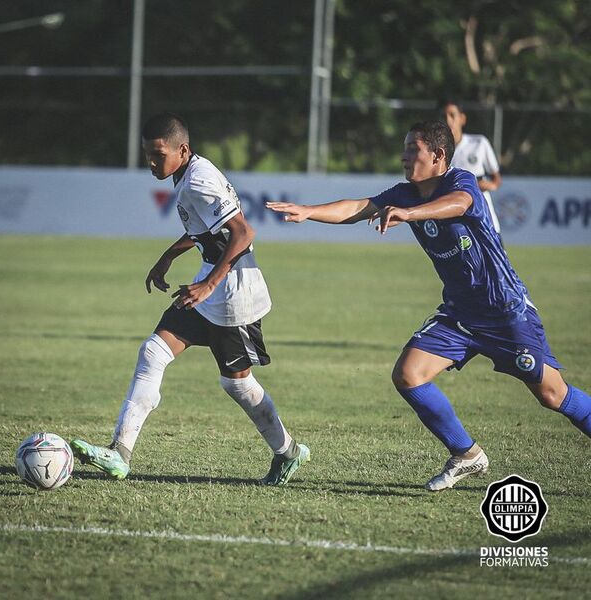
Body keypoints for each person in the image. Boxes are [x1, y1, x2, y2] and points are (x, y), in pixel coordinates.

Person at [266, 120, 591, 491]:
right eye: (404, 149)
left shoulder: (460, 182)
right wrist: (310, 211)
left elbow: (460, 205)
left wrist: (410, 214)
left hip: (506, 312)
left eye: (412, 150)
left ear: (437, 156)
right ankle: (467, 453)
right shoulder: (405, 192)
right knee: (408, 374)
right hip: (459, 315)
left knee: (553, 395)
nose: (404, 156)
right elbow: (359, 206)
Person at [71, 112, 310, 485]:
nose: (151, 163)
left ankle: (289, 451)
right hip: (211, 281)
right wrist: (170, 255)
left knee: (237, 384)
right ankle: (120, 454)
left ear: (182, 149)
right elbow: (207, 230)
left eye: (158, 155)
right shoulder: (189, 172)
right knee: (153, 352)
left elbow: (243, 233)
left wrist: (209, 285)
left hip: (233, 292)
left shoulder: (198, 181)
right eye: (147, 155)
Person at [440, 99, 503, 243]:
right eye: (444, 116)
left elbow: (496, 178)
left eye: (452, 115)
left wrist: (488, 185)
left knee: (499, 265)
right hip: (456, 224)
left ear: (462, 119)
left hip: (485, 219)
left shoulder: (479, 143)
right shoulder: (438, 152)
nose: (448, 120)